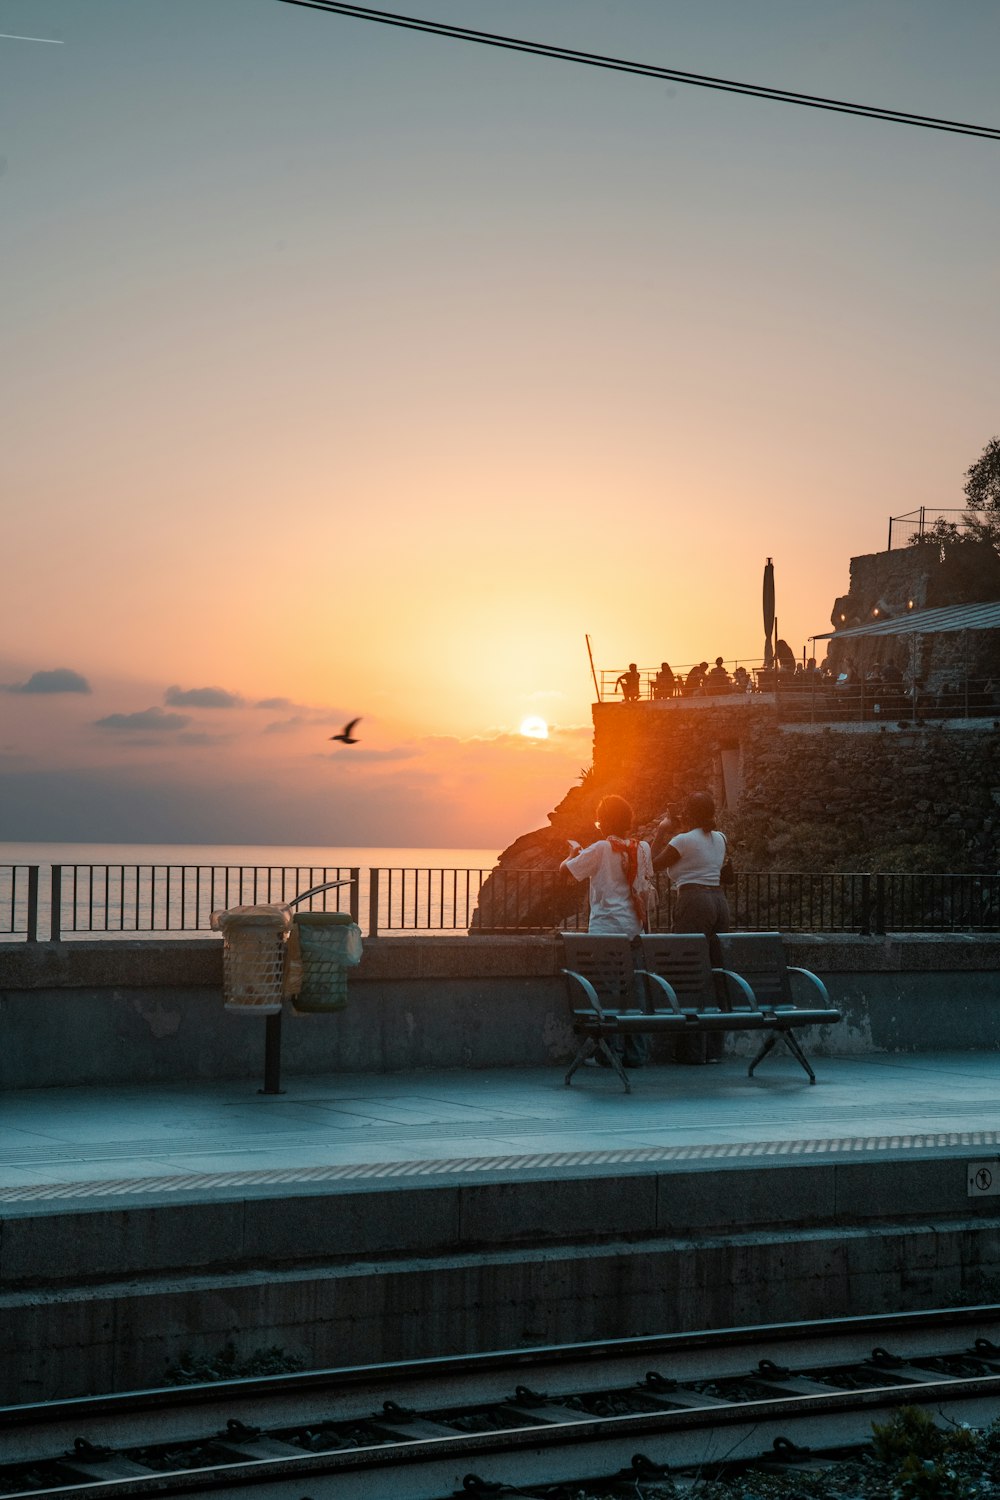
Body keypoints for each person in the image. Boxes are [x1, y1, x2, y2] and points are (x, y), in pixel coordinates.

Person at [561, 794, 654, 1066]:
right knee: (633, 992)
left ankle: (609, 1053)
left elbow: (566, 873)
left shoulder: (602, 848)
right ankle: (636, 1054)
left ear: (604, 822)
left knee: (606, 992)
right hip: (634, 930)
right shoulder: (642, 848)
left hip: (605, 932)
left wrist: (571, 854)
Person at [652, 790, 731, 1063]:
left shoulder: (682, 841)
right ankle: (715, 1050)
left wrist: (662, 830)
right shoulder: (721, 839)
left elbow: (650, 864)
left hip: (693, 900)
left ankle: (691, 1051)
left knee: (689, 973)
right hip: (719, 902)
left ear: (688, 813)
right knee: (717, 972)